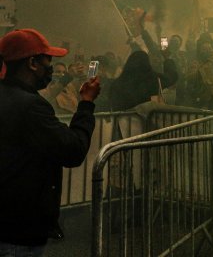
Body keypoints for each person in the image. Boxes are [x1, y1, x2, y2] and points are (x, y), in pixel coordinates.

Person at [0, 28, 101, 253]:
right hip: (18, 232)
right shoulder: (30, 107)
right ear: (33, 63)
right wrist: (86, 103)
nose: (51, 67)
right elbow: (73, 149)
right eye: (48, 60)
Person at [110, 50, 178, 111]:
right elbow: (171, 77)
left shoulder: (117, 83)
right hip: (146, 122)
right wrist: (168, 60)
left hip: (122, 122)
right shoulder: (152, 79)